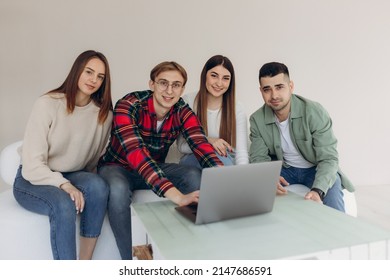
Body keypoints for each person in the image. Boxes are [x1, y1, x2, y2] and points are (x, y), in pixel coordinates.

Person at [98, 61, 224, 260]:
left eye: (176, 85)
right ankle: (131, 260)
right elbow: (137, 154)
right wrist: (178, 197)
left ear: (182, 89)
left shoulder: (182, 111)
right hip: (117, 167)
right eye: (163, 83)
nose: (169, 90)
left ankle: (191, 253)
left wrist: (226, 179)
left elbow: (201, 145)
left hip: (152, 169)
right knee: (118, 190)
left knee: (193, 174)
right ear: (152, 84)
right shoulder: (129, 105)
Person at [13, 50, 113, 260]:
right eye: (89, 72)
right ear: (77, 70)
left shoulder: (103, 115)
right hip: (33, 179)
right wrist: (64, 185)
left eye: (100, 77)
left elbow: (93, 161)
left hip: (73, 174)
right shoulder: (47, 104)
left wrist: (83, 184)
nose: (93, 80)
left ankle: (84, 263)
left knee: (98, 186)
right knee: (63, 203)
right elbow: (32, 165)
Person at [249, 62, 354, 212]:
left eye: (279, 87)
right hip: (284, 170)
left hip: (315, 168)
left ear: (291, 86)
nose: (274, 95)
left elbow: (329, 158)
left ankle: (339, 233)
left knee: (332, 187)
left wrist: (318, 190)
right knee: (255, 185)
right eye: (267, 89)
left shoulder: (314, 112)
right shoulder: (256, 119)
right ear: (261, 91)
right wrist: (267, 178)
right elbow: (258, 158)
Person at [177, 55, 249, 168]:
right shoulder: (188, 101)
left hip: (226, 160)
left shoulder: (237, 108)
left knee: (223, 165)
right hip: (193, 159)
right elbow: (182, 146)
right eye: (214, 76)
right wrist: (208, 140)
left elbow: (241, 153)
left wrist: (243, 174)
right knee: (193, 177)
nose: (219, 83)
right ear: (205, 75)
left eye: (225, 78)